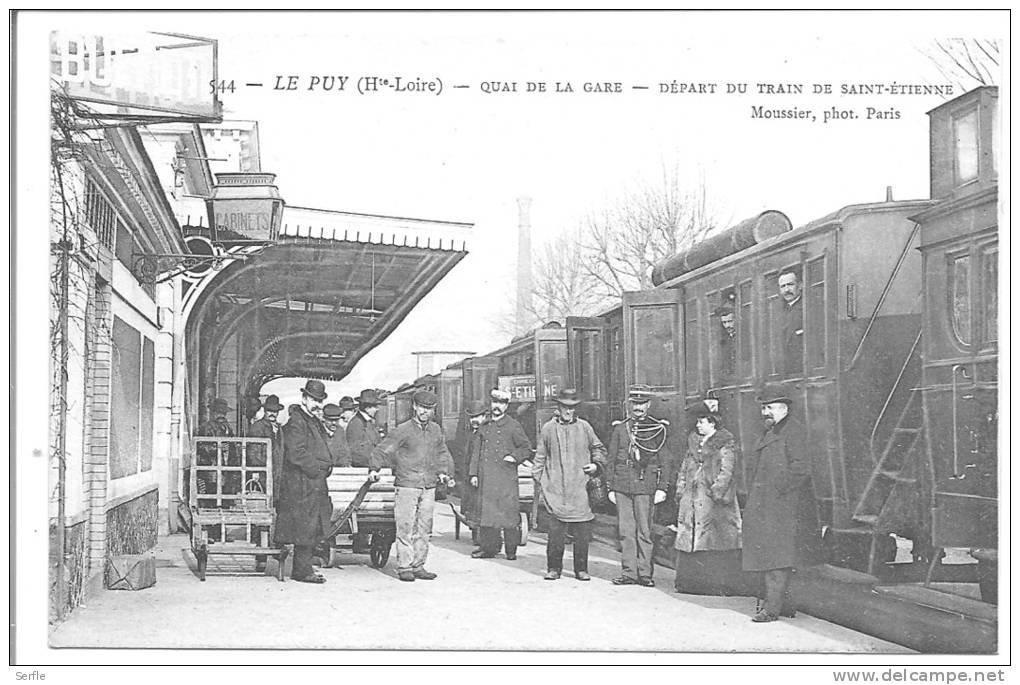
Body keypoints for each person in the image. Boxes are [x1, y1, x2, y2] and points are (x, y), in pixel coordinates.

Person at [742, 384, 823, 622]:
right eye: (764, 407)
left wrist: (778, 490)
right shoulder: (772, 431)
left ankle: (771, 609)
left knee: (776, 558)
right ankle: (784, 606)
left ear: (785, 408)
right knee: (776, 556)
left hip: (783, 507)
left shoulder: (793, 431)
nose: (766, 412)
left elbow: (801, 468)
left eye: (771, 407)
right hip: (771, 505)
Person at [369, 390, 455, 582]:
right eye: (422, 408)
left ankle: (419, 565)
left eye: (429, 409)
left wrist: (444, 471)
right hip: (407, 484)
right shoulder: (403, 430)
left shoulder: (435, 430)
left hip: (428, 485)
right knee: (405, 526)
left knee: (424, 527)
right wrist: (374, 468)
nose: (425, 412)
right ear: (414, 407)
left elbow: (442, 452)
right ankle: (405, 566)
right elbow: (382, 450)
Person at [532, 388, 607, 581]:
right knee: (556, 534)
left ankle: (581, 569)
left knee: (582, 533)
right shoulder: (548, 429)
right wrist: (539, 479)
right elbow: (540, 456)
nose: (568, 411)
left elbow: (598, 448)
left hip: (580, 488)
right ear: (558, 407)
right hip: (556, 489)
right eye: (565, 407)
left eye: (572, 408)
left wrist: (596, 464)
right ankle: (553, 568)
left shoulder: (585, 427)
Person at [606, 385, 674, 587]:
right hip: (622, 485)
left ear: (648, 405)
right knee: (626, 531)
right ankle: (629, 573)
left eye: (642, 403)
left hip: (645, 485)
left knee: (644, 531)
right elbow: (611, 459)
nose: (638, 407)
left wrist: (662, 487)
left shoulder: (657, 429)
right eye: (635, 403)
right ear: (629, 405)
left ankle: (645, 573)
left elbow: (666, 461)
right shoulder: (620, 428)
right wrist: (610, 486)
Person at [673, 403, 743, 595]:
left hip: (714, 502)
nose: (698, 425)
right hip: (692, 498)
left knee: (715, 540)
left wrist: (716, 492)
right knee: (692, 539)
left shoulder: (724, 444)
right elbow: (684, 467)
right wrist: (681, 488)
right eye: (697, 421)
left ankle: (715, 585)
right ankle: (690, 584)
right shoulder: (694, 443)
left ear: (713, 423)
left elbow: (727, 470)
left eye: (702, 422)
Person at [275, 379, 334, 584]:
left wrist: (327, 464)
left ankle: (305, 568)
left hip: (313, 483)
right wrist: (316, 468)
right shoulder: (297, 421)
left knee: (312, 525)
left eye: (319, 400)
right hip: (302, 484)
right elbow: (295, 452)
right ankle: (301, 571)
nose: (317, 404)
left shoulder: (311, 420)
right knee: (305, 527)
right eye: (313, 399)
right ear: (304, 398)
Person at [469, 389, 532, 560]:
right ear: (491, 403)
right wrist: (473, 473)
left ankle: (511, 550)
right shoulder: (485, 426)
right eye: (495, 402)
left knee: (508, 515)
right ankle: (489, 549)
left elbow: (526, 448)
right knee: (488, 515)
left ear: (506, 406)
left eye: (502, 404)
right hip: (487, 477)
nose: (497, 407)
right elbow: (477, 451)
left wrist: (514, 457)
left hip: (505, 479)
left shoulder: (513, 425)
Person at [460, 399, 489, 547]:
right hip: (471, 474)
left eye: (477, 417)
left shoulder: (485, 432)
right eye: (472, 417)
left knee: (479, 504)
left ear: (484, 416)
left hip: (481, 475)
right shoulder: (471, 433)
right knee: (472, 503)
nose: (474, 420)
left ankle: (481, 534)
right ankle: (475, 530)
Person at [194, 397, 235, 498]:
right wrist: (218, 448)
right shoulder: (205, 427)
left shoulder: (227, 428)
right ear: (213, 413)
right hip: (210, 467)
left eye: (223, 413)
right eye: (218, 412)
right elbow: (200, 447)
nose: (221, 415)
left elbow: (232, 446)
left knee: (225, 494)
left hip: (225, 468)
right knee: (211, 494)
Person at [248, 394, 284, 500]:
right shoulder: (258, 427)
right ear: (265, 411)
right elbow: (253, 453)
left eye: (275, 411)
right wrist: (257, 470)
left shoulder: (279, 429)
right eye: (270, 410)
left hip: (277, 472)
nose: (273, 414)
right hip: (263, 473)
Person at [347, 389, 383, 467]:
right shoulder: (356, 423)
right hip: (364, 469)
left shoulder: (369, 422)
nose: (377, 409)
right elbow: (355, 453)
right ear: (367, 408)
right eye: (375, 406)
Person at [778, 268, 804, 377]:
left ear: (800, 285)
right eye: (783, 286)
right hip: (784, 374)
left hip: (801, 373)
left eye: (790, 285)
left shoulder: (807, 307)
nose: (786, 290)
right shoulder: (778, 312)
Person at [715, 304, 737, 381]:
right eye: (724, 322)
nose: (727, 326)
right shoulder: (724, 340)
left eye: (730, 321)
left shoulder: (743, 337)